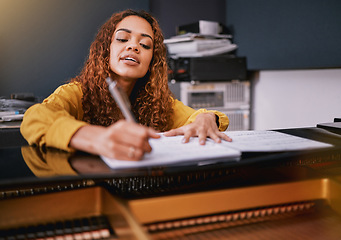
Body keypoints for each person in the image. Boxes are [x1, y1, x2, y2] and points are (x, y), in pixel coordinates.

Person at [20, 9, 231, 161]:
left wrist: (206, 118)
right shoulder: (77, 93)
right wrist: (93, 137)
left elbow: (197, 116)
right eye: (122, 39)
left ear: (152, 62)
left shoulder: (159, 102)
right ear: (106, 50)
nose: (133, 46)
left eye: (145, 44)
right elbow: (35, 118)